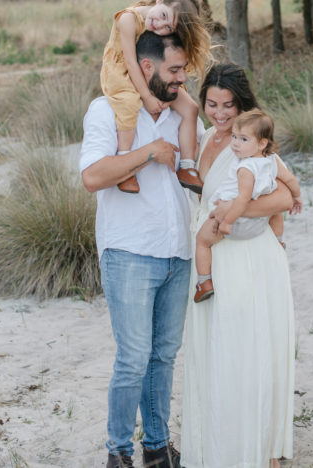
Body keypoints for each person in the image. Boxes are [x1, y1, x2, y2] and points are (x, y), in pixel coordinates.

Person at [81, 31, 204, 468]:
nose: (181, 79)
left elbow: (203, 165)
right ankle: (118, 453)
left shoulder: (181, 112)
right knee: (133, 359)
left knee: (163, 356)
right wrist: (149, 152)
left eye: (184, 70)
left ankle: (156, 447)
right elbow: (94, 176)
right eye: (174, 70)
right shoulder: (106, 110)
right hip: (130, 251)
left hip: (177, 251)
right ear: (146, 68)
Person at [182, 64, 297, 468]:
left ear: (241, 103)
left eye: (228, 105)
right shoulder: (208, 136)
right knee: (217, 354)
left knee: (246, 353)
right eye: (211, 103)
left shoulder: (252, 141)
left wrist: (231, 212)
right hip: (213, 255)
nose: (219, 113)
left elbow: (284, 198)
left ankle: (258, 451)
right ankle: (221, 448)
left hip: (247, 257)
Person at [100, 0, 212, 195]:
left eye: (168, 27)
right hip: (122, 69)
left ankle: (187, 167)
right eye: (163, 16)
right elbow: (131, 63)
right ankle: (125, 167)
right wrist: (148, 97)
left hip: (148, 71)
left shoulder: (162, 22)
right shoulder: (128, 19)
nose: (159, 25)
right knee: (128, 105)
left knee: (190, 108)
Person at [193, 109, 303, 303]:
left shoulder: (245, 167)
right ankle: (278, 241)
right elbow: (290, 179)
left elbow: (242, 200)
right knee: (275, 213)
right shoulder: (271, 161)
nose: (235, 143)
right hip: (261, 223)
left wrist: (227, 222)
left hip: (235, 222)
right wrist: (297, 196)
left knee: (202, 240)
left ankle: (204, 282)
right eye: (234, 136)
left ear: (262, 143)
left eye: (243, 139)